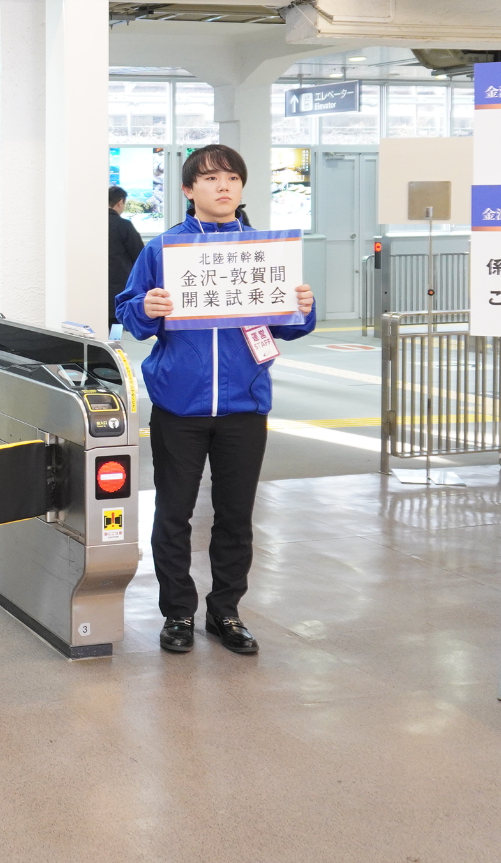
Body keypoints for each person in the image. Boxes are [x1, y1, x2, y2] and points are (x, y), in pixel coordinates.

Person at [114, 144, 315, 658]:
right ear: (188, 191)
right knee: (173, 512)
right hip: (179, 406)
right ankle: (177, 611)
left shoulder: (266, 251)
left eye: (231, 177)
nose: (222, 186)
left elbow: (289, 326)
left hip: (245, 406)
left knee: (235, 515)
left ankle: (225, 610)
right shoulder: (163, 250)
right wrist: (147, 306)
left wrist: (304, 308)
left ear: (242, 187)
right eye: (209, 178)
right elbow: (131, 317)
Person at [107, 185, 144, 333]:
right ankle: (114, 350)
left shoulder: (93, 225)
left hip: (95, 290)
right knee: (116, 328)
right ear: (120, 202)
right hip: (119, 289)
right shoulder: (124, 225)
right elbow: (139, 255)